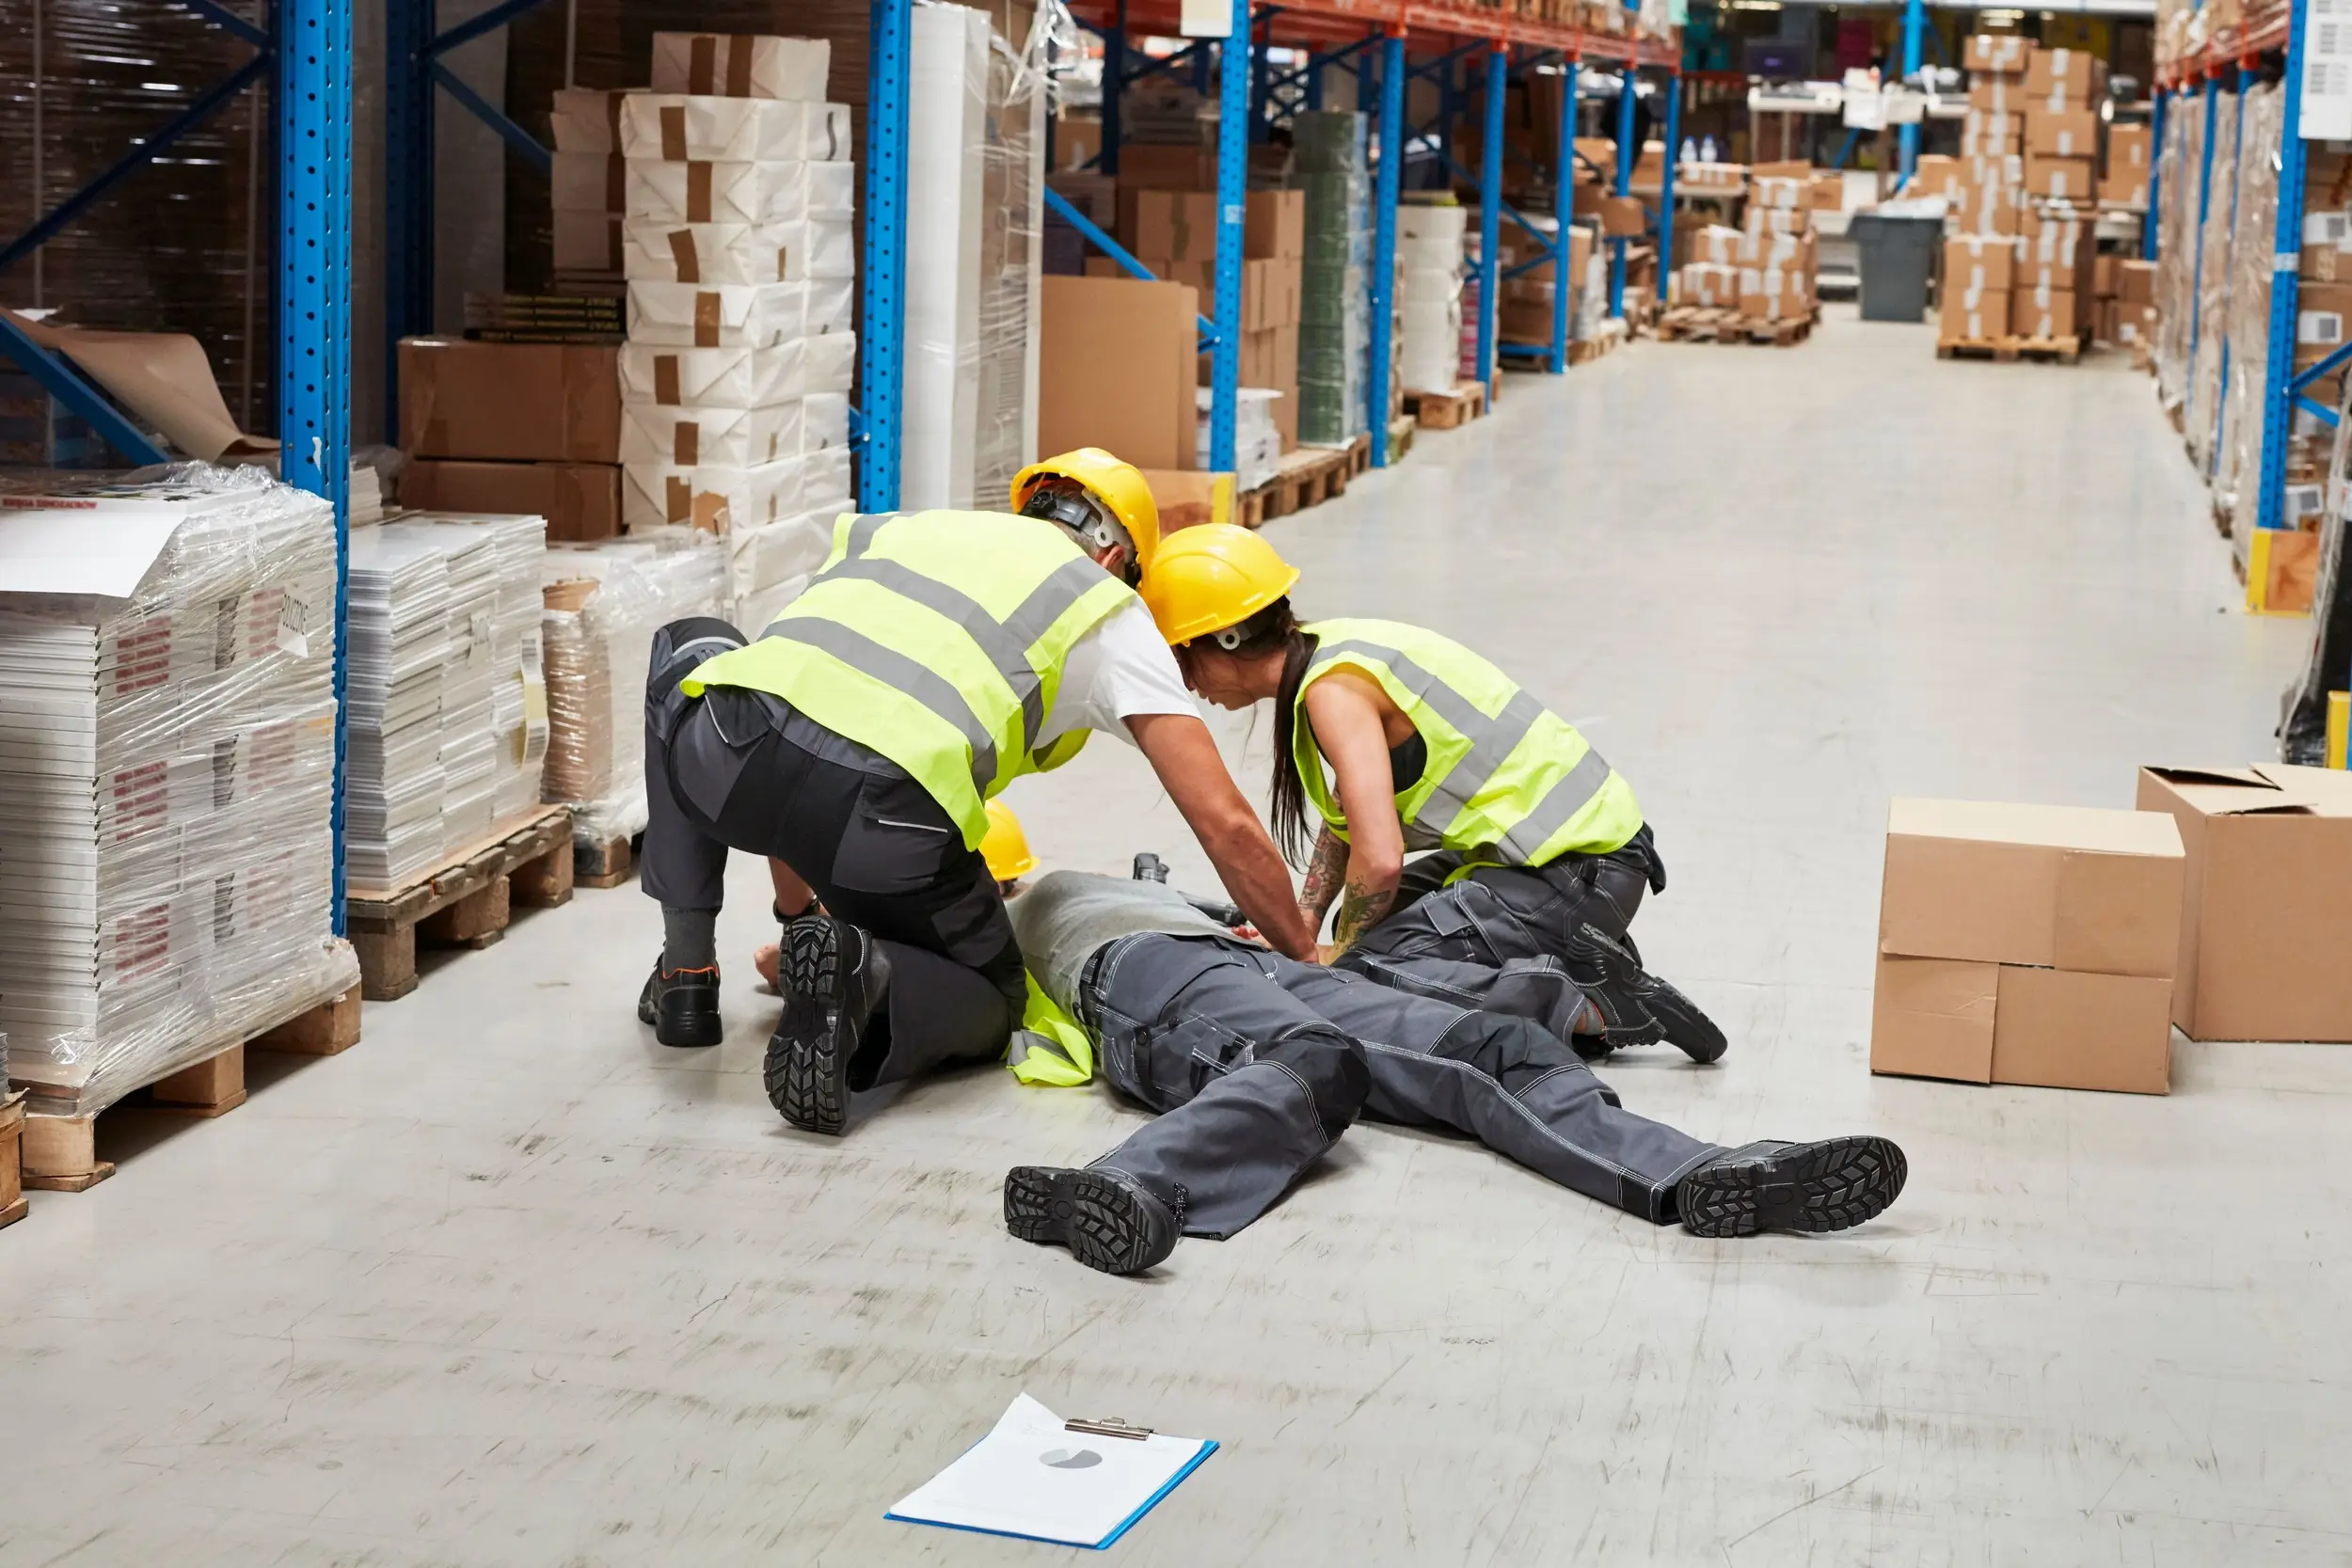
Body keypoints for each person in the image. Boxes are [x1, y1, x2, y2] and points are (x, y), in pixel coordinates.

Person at [634, 450, 1320, 1137]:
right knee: (996, 998)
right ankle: (866, 973)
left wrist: (796, 915)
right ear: (1117, 560)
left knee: (687, 650)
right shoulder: (1103, 604)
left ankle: (686, 974)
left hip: (729, 759)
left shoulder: (903, 528)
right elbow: (1224, 820)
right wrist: (1301, 952)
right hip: (883, 822)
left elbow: (803, 701)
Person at [998, 863, 1909, 1276]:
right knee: (1310, 1060)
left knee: (1496, 1044)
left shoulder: (1132, 886)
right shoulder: (1027, 906)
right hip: (1148, 974)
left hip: (1250, 961)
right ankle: (1123, 1184)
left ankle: (1694, 1170)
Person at [1135, 523, 1724, 1062]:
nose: (1184, 680)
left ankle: (1594, 1006)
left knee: (1366, 970)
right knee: (1359, 930)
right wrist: (1306, 927)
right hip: (1565, 867)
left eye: (1182, 654)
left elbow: (1380, 859)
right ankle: (1579, 955)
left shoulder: (1332, 694)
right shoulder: (1331, 654)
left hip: (1578, 872)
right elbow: (1351, 822)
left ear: (1226, 638)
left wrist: (1335, 959)